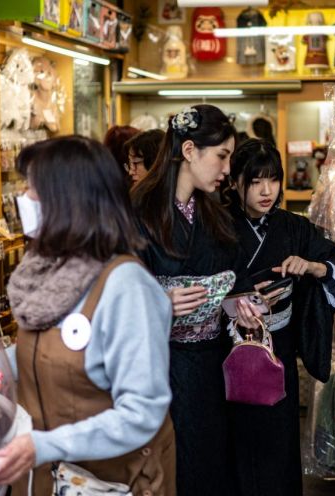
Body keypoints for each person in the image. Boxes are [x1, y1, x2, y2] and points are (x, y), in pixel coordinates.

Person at [0, 136, 176, 496]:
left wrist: (45, 445)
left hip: (114, 482)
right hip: (46, 479)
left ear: (68, 201)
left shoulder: (126, 286)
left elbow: (141, 412)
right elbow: (46, 352)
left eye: (34, 190)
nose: (25, 199)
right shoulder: (46, 275)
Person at [131, 104, 251, 495]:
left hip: (211, 364)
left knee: (210, 463)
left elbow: (234, 280)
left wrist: (243, 306)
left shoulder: (214, 214)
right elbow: (116, 291)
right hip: (160, 366)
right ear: (188, 151)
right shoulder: (138, 210)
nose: (227, 169)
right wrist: (160, 301)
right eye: (222, 156)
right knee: (169, 465)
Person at [224, 138, 335, 496]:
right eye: (255, 181)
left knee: (278, 451)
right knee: (232, 449)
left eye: (273, 180)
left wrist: (312, 267)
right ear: (235, 182)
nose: (267, 191)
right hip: (228, 351)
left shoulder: (293, 228)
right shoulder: (218, 225)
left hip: (277, 351)